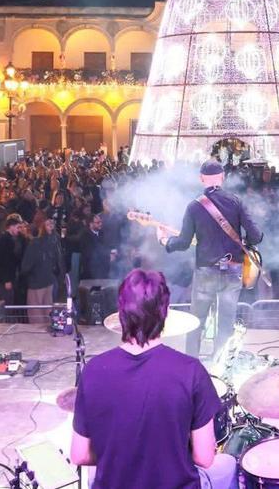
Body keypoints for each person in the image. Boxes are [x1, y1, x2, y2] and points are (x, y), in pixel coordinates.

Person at [70, 269, 237, 489]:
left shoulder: (93, 370)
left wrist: (118, 456)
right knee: (229, 465)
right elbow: (204, 458)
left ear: (121, 312)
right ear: (165, 312)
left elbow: (79, 455)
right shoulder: (191, 371)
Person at [159, 160, 262, 359]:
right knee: (226, 321)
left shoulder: (194, 207)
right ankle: (220, 365)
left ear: (201, 179)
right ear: (223, 177)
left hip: (206, 271)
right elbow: (256, 236)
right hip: (233, 270)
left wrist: (165, 241)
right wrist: (243, 242)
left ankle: (191, 364)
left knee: (196, 320)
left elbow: (182, 242)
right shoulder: (236, 202)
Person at [20, 217, 61, 325]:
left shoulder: (35, 243)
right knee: (48, 310)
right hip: (49, 280)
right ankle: (48, 335)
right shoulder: (54, 240)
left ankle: (38, 339)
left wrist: (24, 275)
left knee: (36, 314)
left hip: (37, 283)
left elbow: (26, 266)